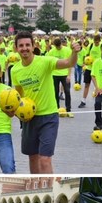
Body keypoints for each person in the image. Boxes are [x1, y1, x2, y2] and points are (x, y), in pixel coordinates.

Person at [11, 31, 81, 174]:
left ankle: (50, 192)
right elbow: (19, 95)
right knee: (33, 157)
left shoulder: (45, 61)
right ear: (16, 48)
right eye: (21, 45)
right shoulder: (15, 70)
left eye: (27, 45)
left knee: (44, 159)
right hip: (29, 118)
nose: (24, 48)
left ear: (33, 46)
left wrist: (75, 52)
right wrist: (16, 112)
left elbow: (69, 63)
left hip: (48, 116)